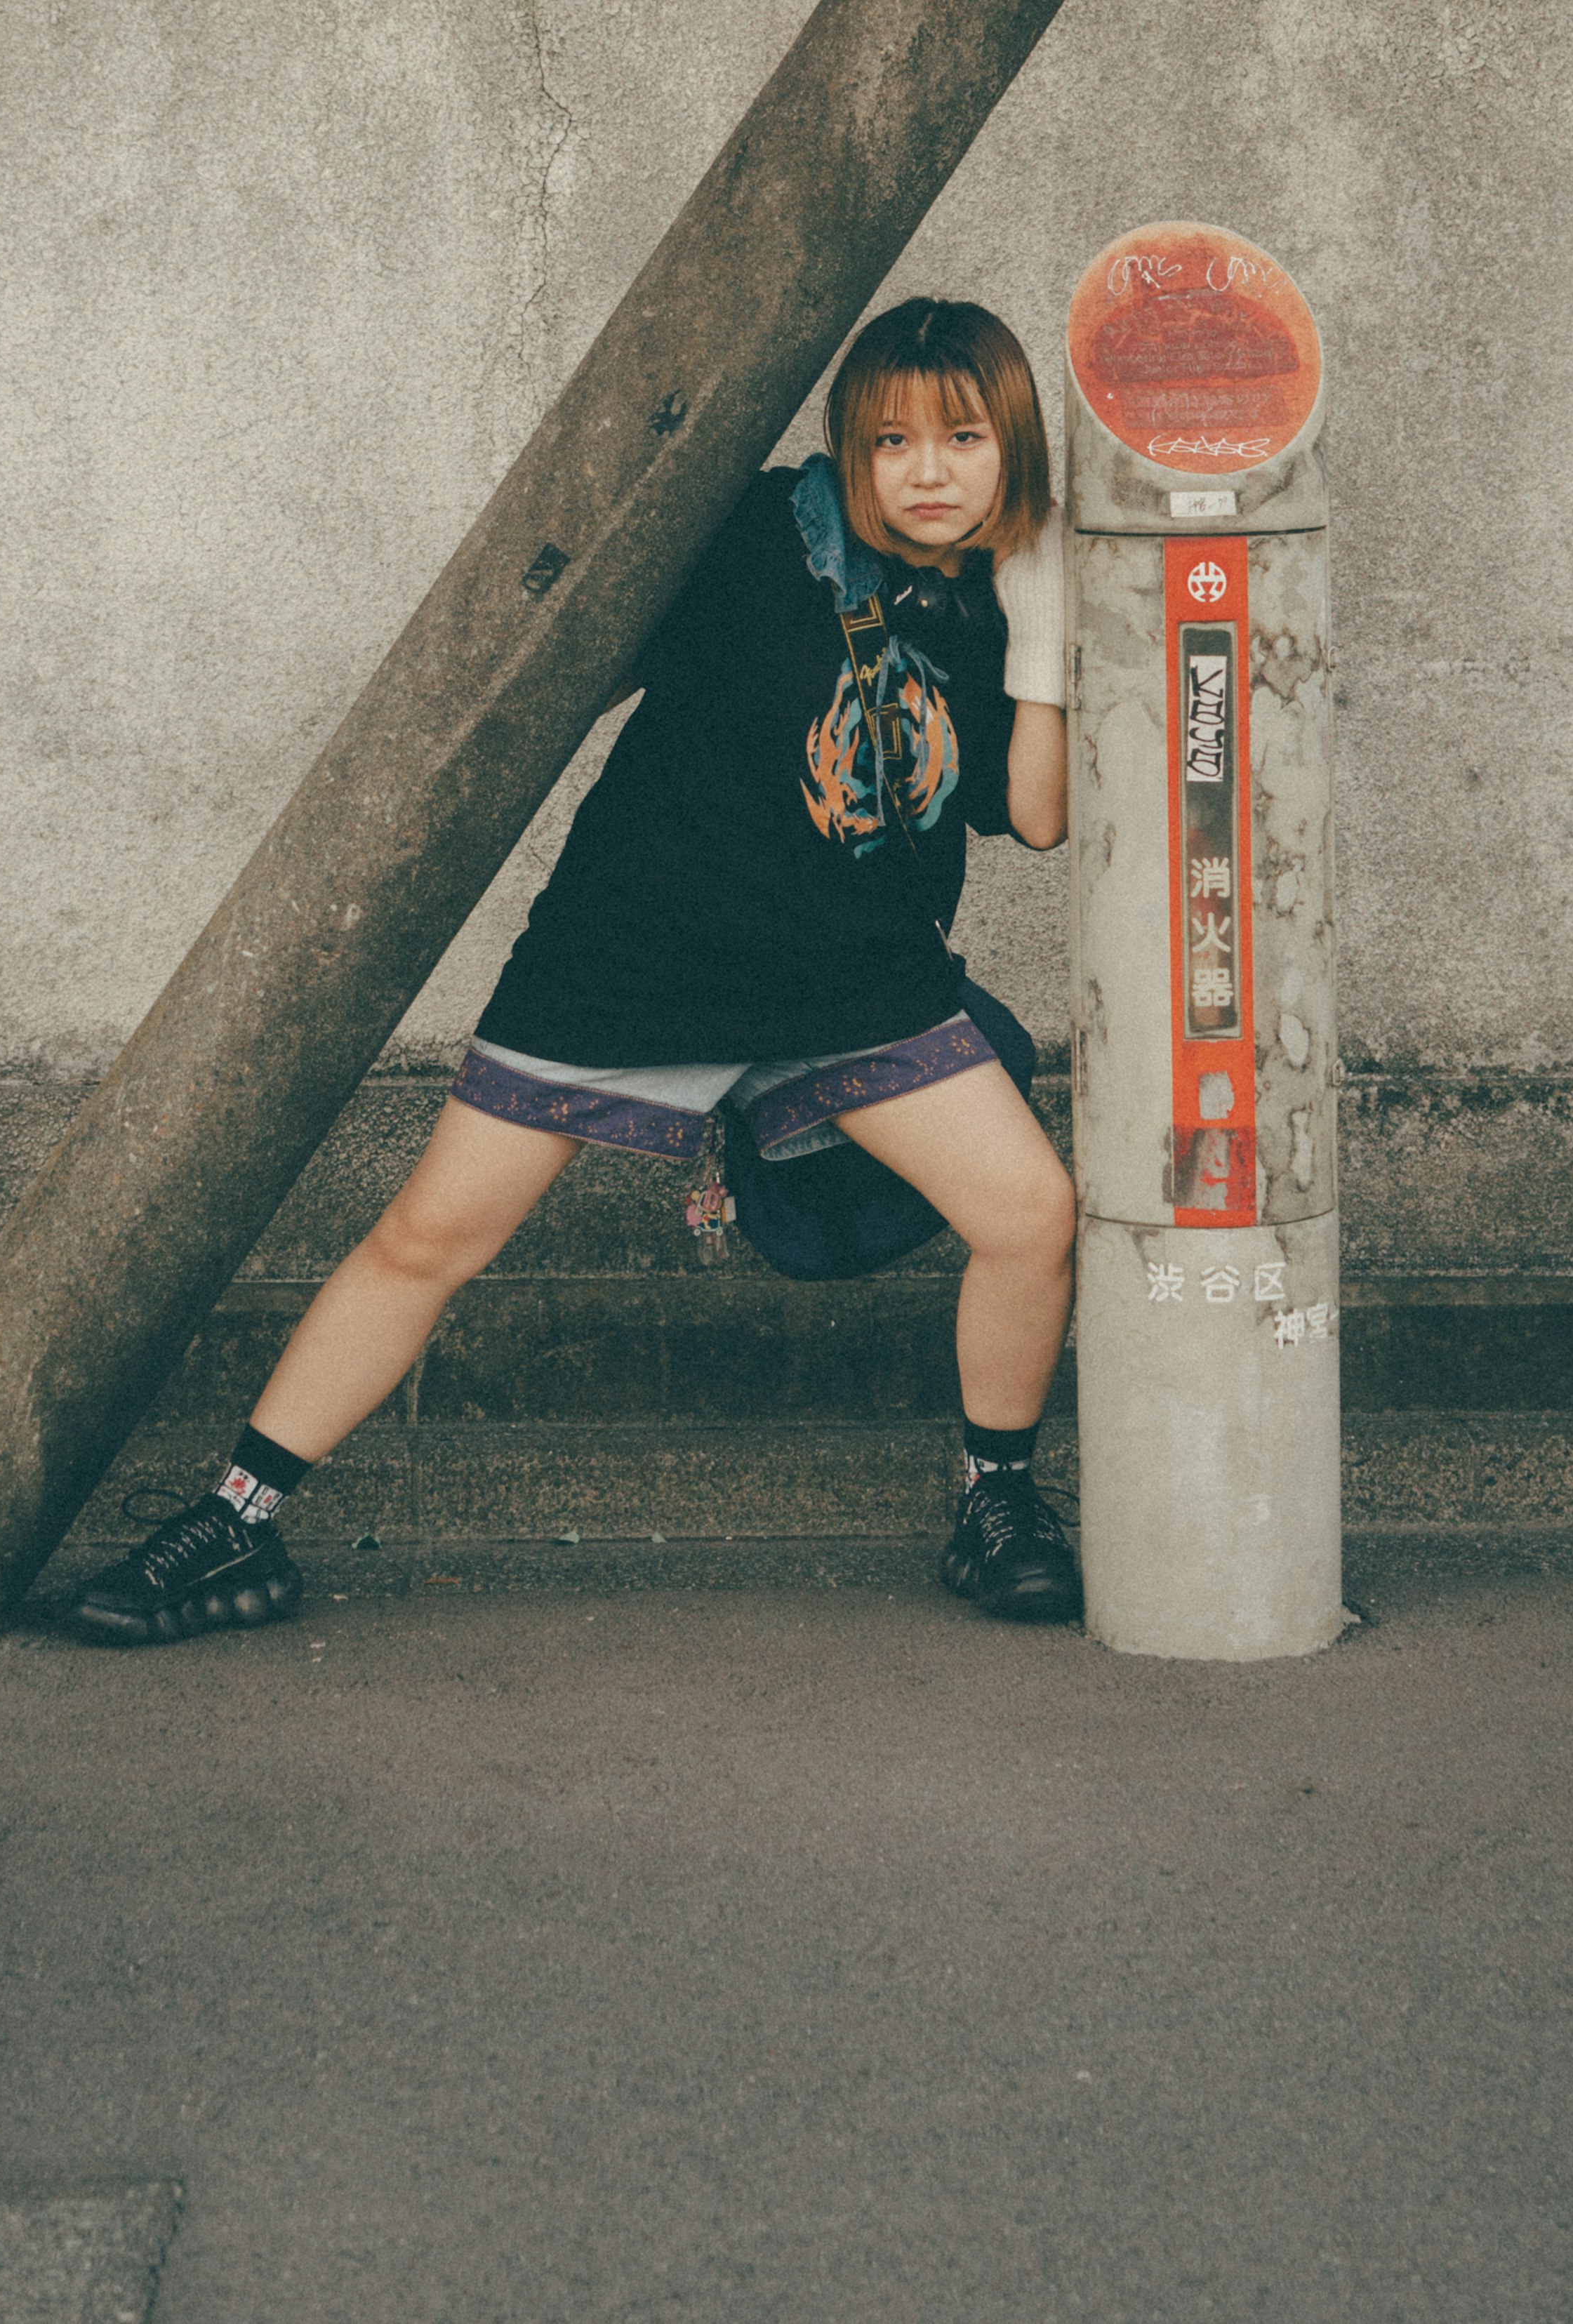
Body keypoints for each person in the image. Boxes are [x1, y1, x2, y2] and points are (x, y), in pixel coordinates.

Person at [71, 296, 1081, 1645]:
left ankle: (997, 1498)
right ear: (847, 447)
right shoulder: (747, 534)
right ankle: (235, 1519)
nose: (929, 472)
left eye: (965, 438)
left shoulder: (987, 613)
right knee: (430, 1237)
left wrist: (1049, 634)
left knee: (1031, 1214)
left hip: (855, 979)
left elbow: (1037, 813)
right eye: (891, 441)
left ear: (1013, 447)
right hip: (633, 959)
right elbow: (553, 653)